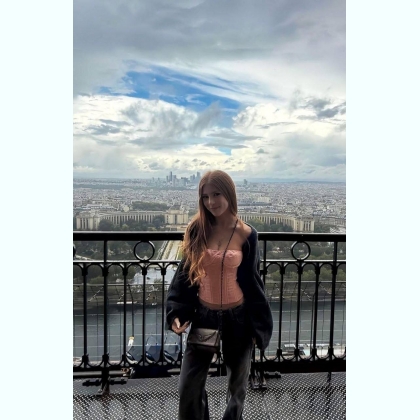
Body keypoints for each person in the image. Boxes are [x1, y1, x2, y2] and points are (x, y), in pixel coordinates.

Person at [166, 169, 273, 420]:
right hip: (204, 316)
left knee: (237, 390)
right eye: (205, 197)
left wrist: (258, 325)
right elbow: (186, 273)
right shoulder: (197, 229)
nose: (211, 202)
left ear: (229, 194)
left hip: (239, 318)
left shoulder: (247, 234)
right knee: (188, 387)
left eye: (216, 195)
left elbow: (252, 282)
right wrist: (176, 311)